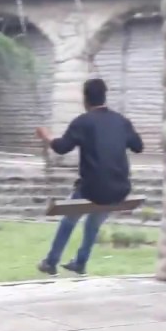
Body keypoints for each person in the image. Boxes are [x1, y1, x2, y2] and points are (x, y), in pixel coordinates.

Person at [34, 78, 143, 276]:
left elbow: (61, 147)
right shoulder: (121, 121)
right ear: (104, 96)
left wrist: (46, 136)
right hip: (119, 189)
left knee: (69, 220)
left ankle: (51, 262)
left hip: (93, 189)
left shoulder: (83, 122)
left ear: (85, 99)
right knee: (93, 222)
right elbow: (138, 146)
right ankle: (80, 262)